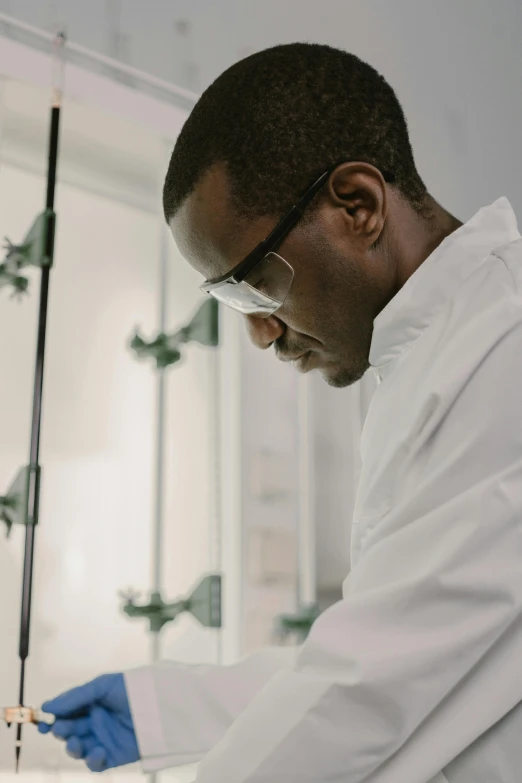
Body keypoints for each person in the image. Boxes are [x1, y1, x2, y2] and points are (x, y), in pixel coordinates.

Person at [39, 43, 522, 783]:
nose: (260, 331)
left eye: (258, 282)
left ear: (357, 206)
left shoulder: (504, 348)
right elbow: (392, 632)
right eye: (232, 300)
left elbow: (372, 683)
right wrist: (167, 707)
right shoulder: (432, 352)